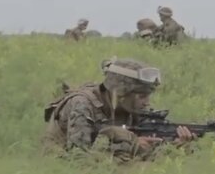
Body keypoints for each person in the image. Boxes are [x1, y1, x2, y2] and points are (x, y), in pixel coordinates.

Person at [40, 57, 196, 162]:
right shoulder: (82, 105)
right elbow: (78, 159)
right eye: (141, 96)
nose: (147, 103)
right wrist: (132, 145)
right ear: (120, 92)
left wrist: (173, 147)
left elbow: (141, 151)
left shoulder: (128, 108)